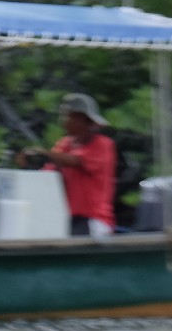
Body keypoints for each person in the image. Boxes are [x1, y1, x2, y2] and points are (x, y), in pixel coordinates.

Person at [20, 92, 117, 236]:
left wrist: (43, 154)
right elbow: (49, 174)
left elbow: (75, 161)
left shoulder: (102, 145)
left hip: (92, 219)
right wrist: (29, 162)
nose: (63, 120)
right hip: (66, 218)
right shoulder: (65, 144)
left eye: (68, 115)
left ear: (82, 119)